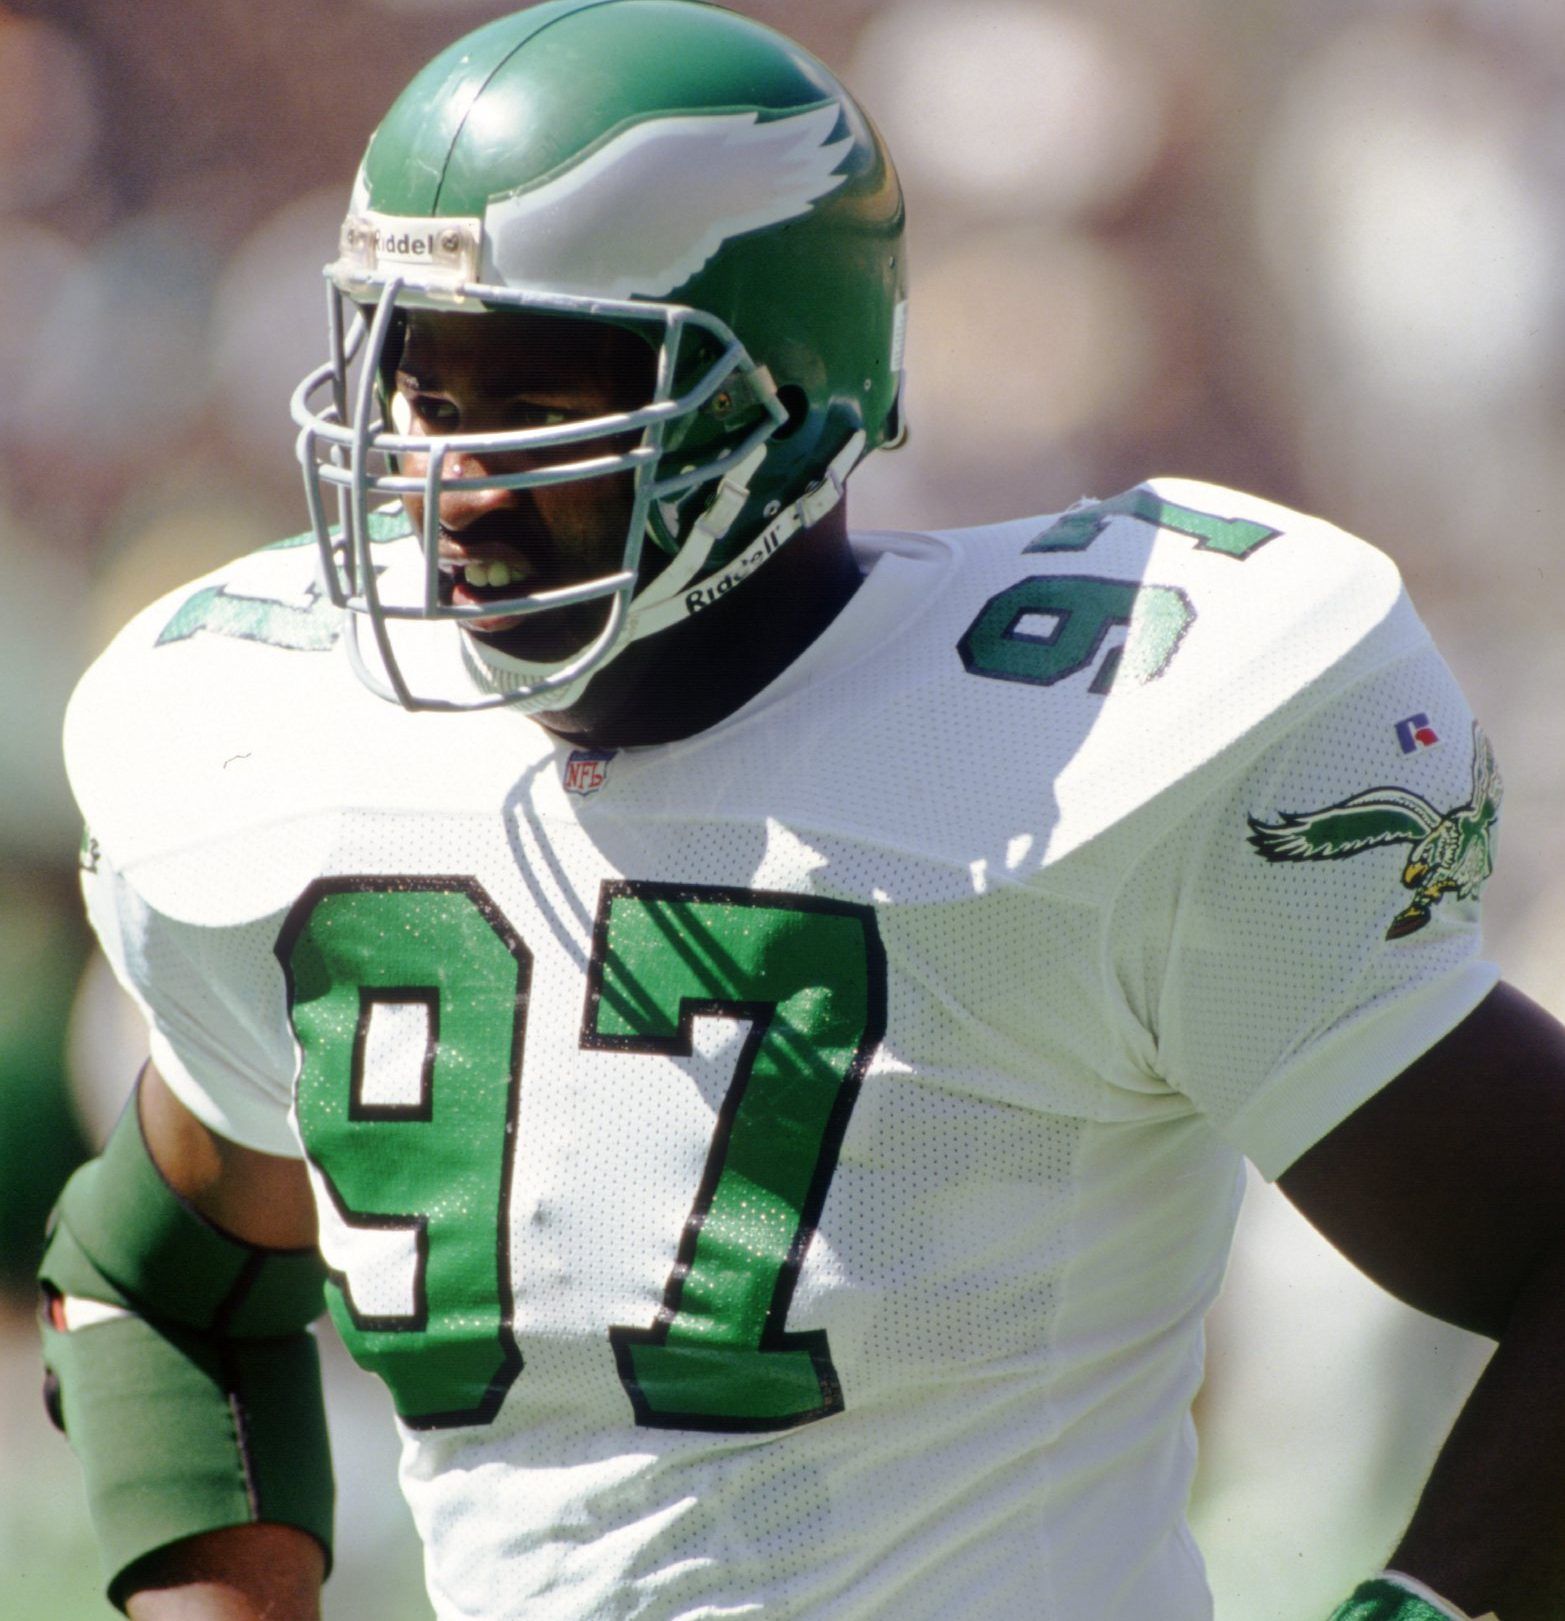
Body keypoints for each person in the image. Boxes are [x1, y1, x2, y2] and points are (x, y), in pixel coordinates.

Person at [38, 3, 1565, 1618]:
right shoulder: (295, 759)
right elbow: (160, 1274)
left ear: (782, 396)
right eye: (420, 375)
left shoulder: (1081, 752)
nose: (454, 475)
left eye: (542, 389)